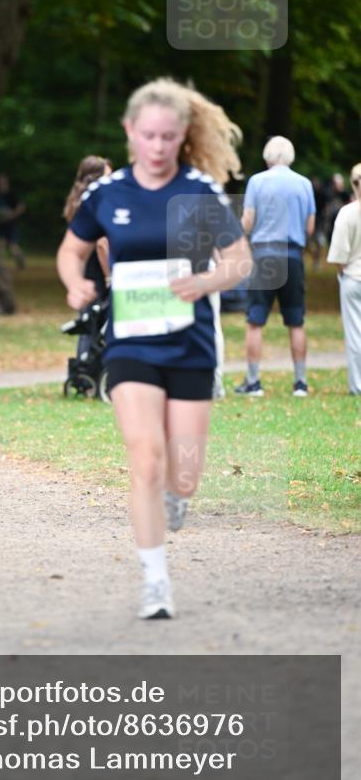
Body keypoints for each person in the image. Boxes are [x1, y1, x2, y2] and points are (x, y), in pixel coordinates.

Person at [57, 77, 252, 620]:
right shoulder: (107, 193)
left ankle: (178, 496)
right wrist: (74, 283)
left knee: (183, 472)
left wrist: (208, 282)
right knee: (145, 457)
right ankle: (155, 581)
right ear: (130, 133)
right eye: (149, 136)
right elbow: (70, 253)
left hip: (188, 343)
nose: (159, 146)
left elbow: (240, 260)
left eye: (169, 136)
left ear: (183, 134)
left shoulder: (200, 192)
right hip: (131, 344)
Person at [235, 136, 316, 398]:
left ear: (268, 156)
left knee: (255, 320)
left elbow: (248, 221)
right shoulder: (304, 184)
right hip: (292, 255)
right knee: (296, 320)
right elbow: (310, 227)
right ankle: (300, 383)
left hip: (264, 255)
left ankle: (253, 382)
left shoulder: (257, 182)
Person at [62, 156, 112, 359]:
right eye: (108, 176)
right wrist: (110, 277)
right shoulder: (96, 204)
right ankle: (89, 368)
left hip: (85, 270)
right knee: (98, 321)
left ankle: (83, 368)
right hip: (98, 272)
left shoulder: (76, 201)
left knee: (88, 320)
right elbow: (101, 244)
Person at [327, 163, 361, 395]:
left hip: (353, 276)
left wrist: (343, 273)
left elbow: (339, 254)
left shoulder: (347, 213)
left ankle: (358, 385)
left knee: (355, 335)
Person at [0, 173, 25, 268]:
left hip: (10, 224)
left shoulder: (11, 194)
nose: (1, 185)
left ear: (7, 184)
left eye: (3, 183)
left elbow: (21, 206)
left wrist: (12, 214)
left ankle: (20, 260)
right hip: (0, 223)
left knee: (12, 247)